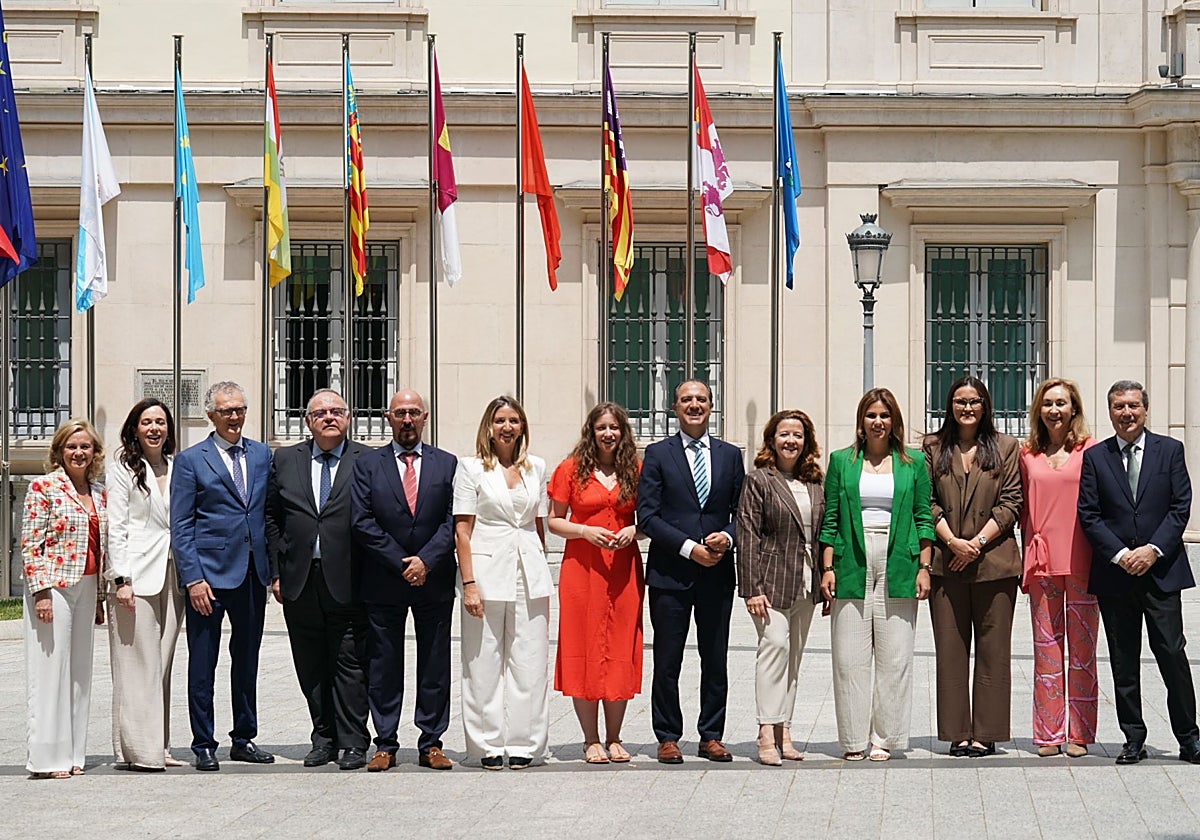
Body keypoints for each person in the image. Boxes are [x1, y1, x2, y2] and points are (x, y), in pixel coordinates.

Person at [1078, 379, 1200, 765]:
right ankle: (1133, 738)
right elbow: (1089, 514)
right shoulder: (1096, 457)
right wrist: (1120, 554)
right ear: (1110, 411)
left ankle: (1189, 737)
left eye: (1133, 406)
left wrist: (1152, 550)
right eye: (1118, 407)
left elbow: (1180, 507)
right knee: (1122, 658)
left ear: (1145, 409)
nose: (1126, 413)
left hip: (1161, 572)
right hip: (1116, 575)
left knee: (1172, 654)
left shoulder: (1170, 451)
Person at [819, 388, 934, 762]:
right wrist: (827, 566)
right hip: (852, 558)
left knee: (895, 656)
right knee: (849, 657)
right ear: (861, 421)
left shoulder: (913, 462)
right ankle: (853, 739)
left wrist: (924, 567)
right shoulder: (841, 461)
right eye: (871, 415)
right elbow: (831, 517)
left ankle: (885, 738)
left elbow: (922, 517)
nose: (878, 421)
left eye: (885, 415)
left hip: (900, 557)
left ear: (894, 420)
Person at [350, 389, 458, 772]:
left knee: (434, 662)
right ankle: (385, 743)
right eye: (400, 413)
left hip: (434, 578)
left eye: (414, 412)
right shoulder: (367, 465)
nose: (407, 419)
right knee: (384, 664)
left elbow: (453, 520)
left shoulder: (447, 464)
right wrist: (401, 561)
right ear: (387, 417)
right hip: (384, 579)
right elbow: (361, 520)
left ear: (425, 416)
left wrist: (426, 560)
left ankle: (431, 741)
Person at [638, 379, 745, 764]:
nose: (694, 405)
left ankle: (711, 734)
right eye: (686, 400)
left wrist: (727, 539)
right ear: (674, 407)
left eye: (701, 399)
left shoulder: (731, 456)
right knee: (668, 659)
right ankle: (667, 735)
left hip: (717, 573)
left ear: (711, 406)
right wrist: (689, 548)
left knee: (715, 657)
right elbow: (647, 515)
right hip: (671, 574)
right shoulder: (657, 454)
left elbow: (743, 513)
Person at [170, 381, 274, 771]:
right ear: (210, 415)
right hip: (208, 580)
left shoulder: (262, 455)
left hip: (251, 574)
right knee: (203, 663)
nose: (234, 417)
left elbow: (267, 514)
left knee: (246, 661)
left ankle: (244, 738)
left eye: (239, 410)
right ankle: (203, 743)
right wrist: (193, 579)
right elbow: (181, 525)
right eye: (226, 411)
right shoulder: (191, 460)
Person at [266, 389, 373, 770]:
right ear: (308, 421)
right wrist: (277, 572)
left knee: (350, 661)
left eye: (337, 412)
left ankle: (355, 741)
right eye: (321, 413)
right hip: (299, 580)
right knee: (310, 664)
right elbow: (272, 517)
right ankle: (323, 738)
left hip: (350, 578)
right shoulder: (286, 459)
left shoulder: (367, 459)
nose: (329, 418)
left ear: (348, 418)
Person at [923, 376, 1022, 758]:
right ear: (949, 405)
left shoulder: (1006, 446)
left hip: (994, 563)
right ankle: (956, 731)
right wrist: (951, 542)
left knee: (993, 649)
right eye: (960, 401)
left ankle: (987, 732)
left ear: (985, 406)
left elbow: (1012, 502)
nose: (967, 408)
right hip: (946, 565)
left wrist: (977, 543)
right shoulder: (933, 447)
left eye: (974, 401)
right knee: (950, 649)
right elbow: (926, 500)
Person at [453, 395, 552, 769]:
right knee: (483, 664)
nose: (507, 427)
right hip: (486, 572)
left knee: (530, 663)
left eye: (514, 420)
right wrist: (470, 583)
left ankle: (526, 743)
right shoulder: (471, 468)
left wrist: (540, 565)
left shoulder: (536, 467)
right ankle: (487, 744)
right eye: (500, 421)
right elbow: (463, 530)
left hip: (529, 572)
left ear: (522, 426)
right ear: (489, 428)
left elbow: (539, 525)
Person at [548, 402, 644, 765]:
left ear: (623, 432)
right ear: (591, 431)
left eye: (615, 428)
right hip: (582, 568)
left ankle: (616, 736)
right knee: (584, 645)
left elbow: (650, 516)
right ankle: (590, 738)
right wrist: (585, 531)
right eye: (602, 427)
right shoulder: (570, 469)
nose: (608, 434)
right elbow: (554, 521)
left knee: (620, 644)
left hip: (623, 569)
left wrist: (635, 529)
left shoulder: (635, 469)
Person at [736, 409, 824, 765]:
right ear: (772, 440)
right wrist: (751, 587)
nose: (791, 441)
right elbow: (747, 535)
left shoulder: (816, 481)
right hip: (770, 582)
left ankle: (785, 730)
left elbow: (823, 532)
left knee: (794, 657)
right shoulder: (759, 480)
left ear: (807, 442)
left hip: (806, 580)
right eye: (784, 434)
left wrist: (825, 578)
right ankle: (765, 733)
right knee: (774, 648)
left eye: (798, 436)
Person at [22, 418, 107, 779]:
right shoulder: (43, 486)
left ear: (94, 452)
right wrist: (40, 591)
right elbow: (30, 543)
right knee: (50, 670)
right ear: (59, 451)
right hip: (53, 586)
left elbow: (101, 547)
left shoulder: (99, 491)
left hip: (87, 585)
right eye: (71, 446)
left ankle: (73, 753)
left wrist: (101, 596)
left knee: (80, 673)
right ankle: (46, 757)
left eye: (85, 446)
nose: (78, 452)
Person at [1019, 377, 1099, 758]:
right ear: (1039, 410)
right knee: (1046, 651)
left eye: (1062, 403)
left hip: (1083, 560)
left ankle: (1079, 733)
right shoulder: (1027, 454)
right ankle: (1048, 733)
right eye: (1048, 403)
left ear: (1074, 409)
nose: (1054, 410)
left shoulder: (1091, 450)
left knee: (1082, 654)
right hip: (1043, 562)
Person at [106, 399, 184, 771]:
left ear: (169, 429)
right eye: (146, 422)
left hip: (173, 573)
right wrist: (121, 579)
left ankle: (159, 744)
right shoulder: (123, 467)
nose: (154, 428)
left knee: (162, 662)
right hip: (135, 576)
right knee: (138, 663)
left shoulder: (176, 465)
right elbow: (116, 525)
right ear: (134, 428)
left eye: (160, 422)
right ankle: (141, 751)